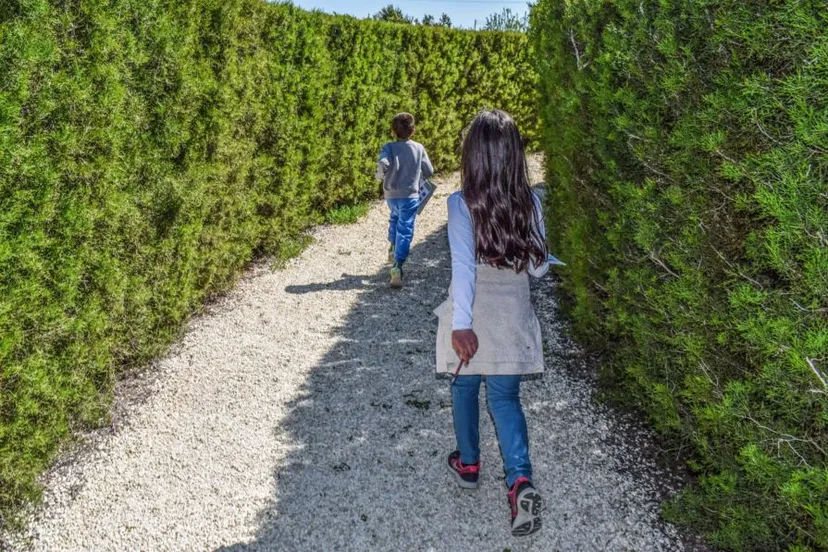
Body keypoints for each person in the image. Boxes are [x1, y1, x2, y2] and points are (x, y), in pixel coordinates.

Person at [433, 109, 549, 537]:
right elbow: (538, 270)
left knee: (463, 386)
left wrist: (462, 325)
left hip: (472, 316)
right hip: (512, 315)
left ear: (473, 155)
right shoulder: (532, 201)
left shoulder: (461, 202)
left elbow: (463, 267)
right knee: (505, 401)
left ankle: (468, 463)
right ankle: (519, 481)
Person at [375, 112, 434, 288]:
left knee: (394, 216)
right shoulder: (419, 148)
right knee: (405, 228)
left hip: (391, 195)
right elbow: (429, 170)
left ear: (394, 132)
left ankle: (392, 247)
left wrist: (380, 176)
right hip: (410, 196)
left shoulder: (389, 147)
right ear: (413, 130)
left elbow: (383, 164)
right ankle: (397, 266)